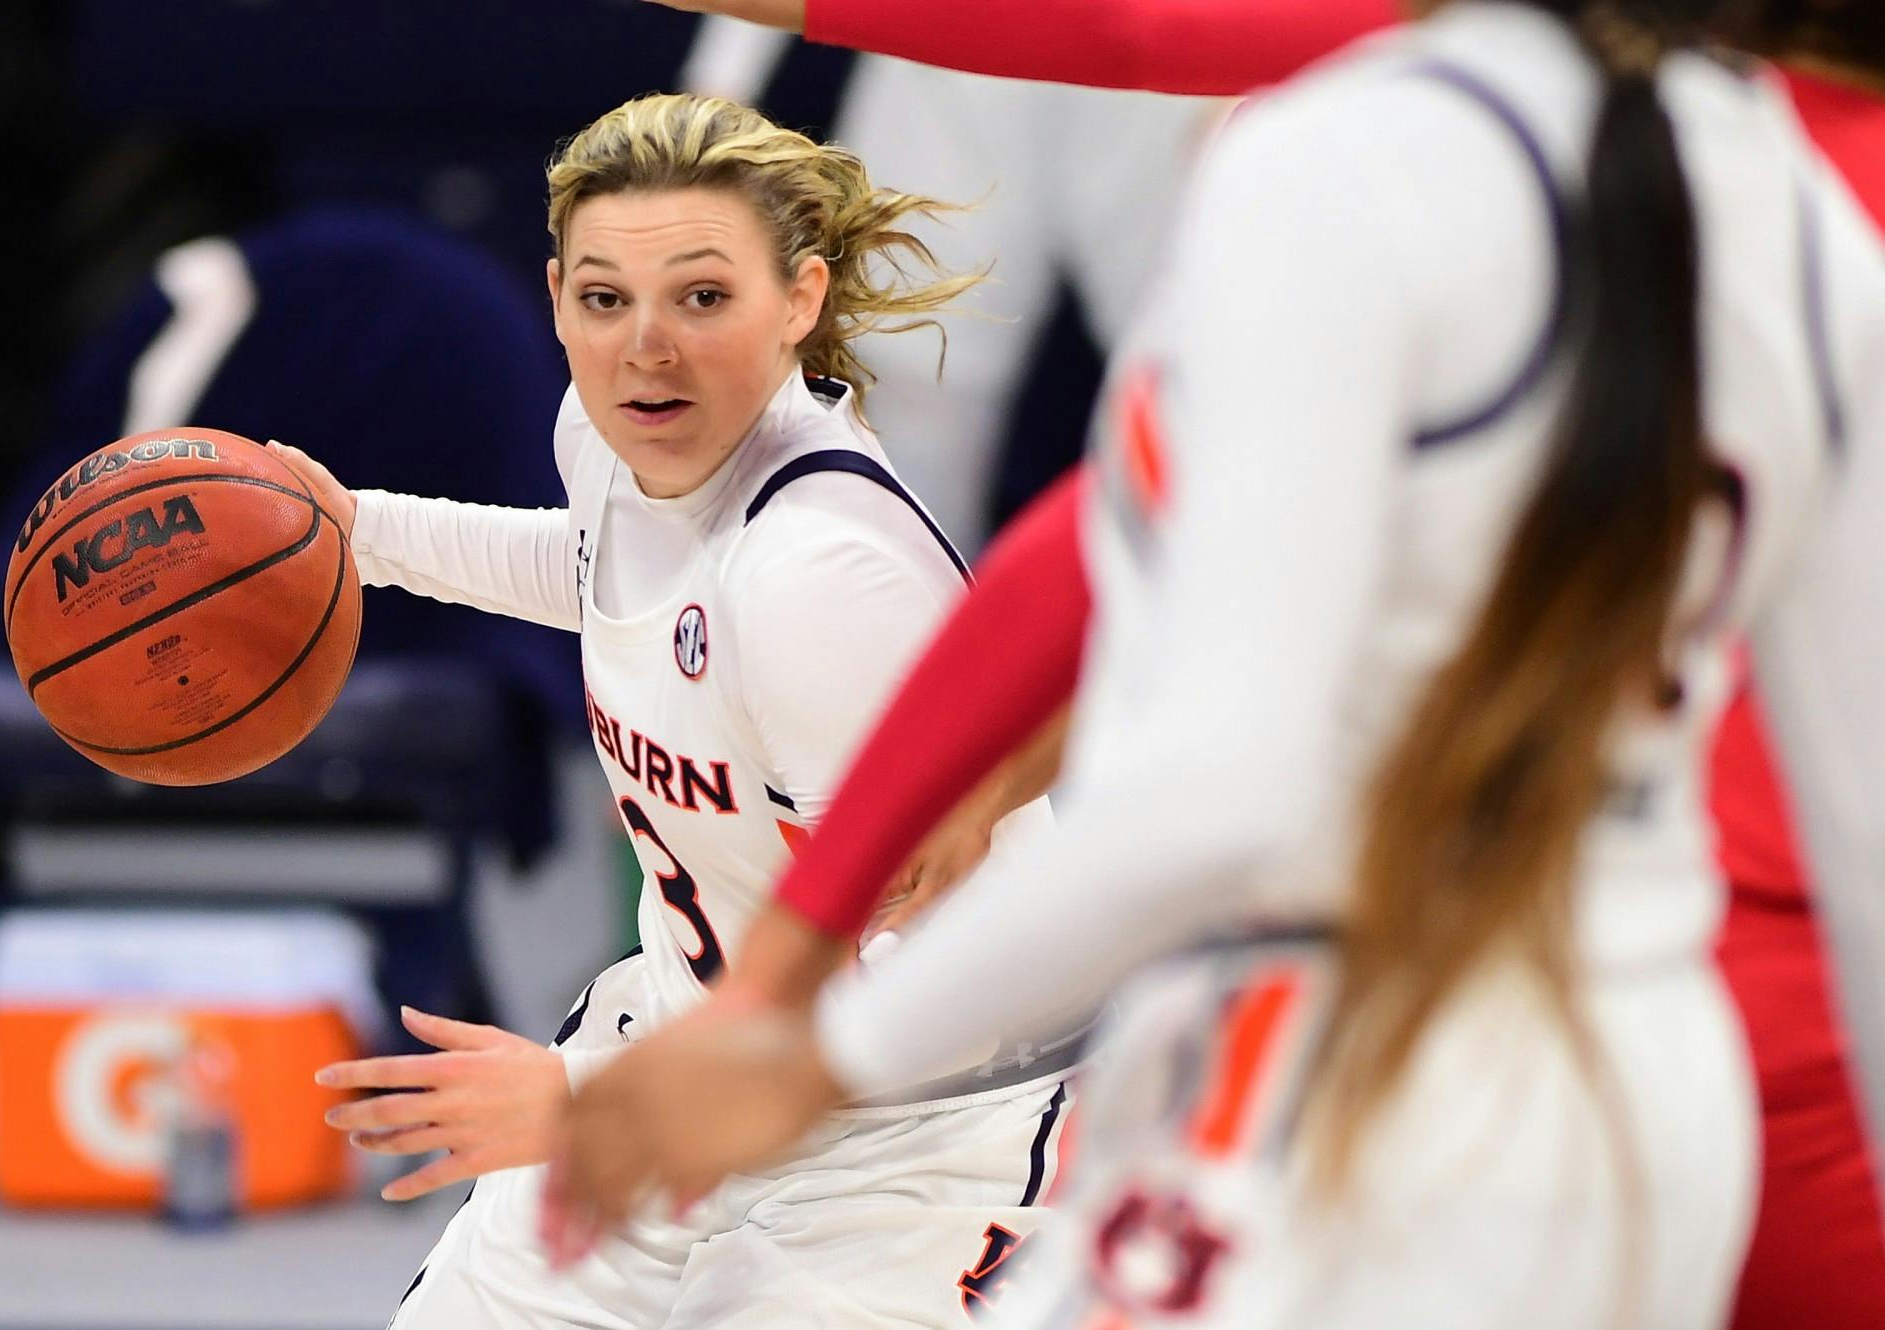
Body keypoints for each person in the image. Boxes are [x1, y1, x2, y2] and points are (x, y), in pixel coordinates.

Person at [550, 3, 1885, 1326]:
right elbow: (1863, 824)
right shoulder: (1793, 207)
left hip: (1360, 1071)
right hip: (1664, 1091)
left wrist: (824, 1052)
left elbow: (1222, 788)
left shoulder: (1335, 157)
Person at [280, 92, 1080, 1329]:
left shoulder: (818, 577)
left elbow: (924, 973)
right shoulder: (611, 443)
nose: (645, 348)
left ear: (799, 299)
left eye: (702, 297)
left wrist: (587, 1098)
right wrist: (358, 531)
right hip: (684, 1056)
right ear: (556, 299)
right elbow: (601, 573)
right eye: (606, 299)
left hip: (913, 1132)